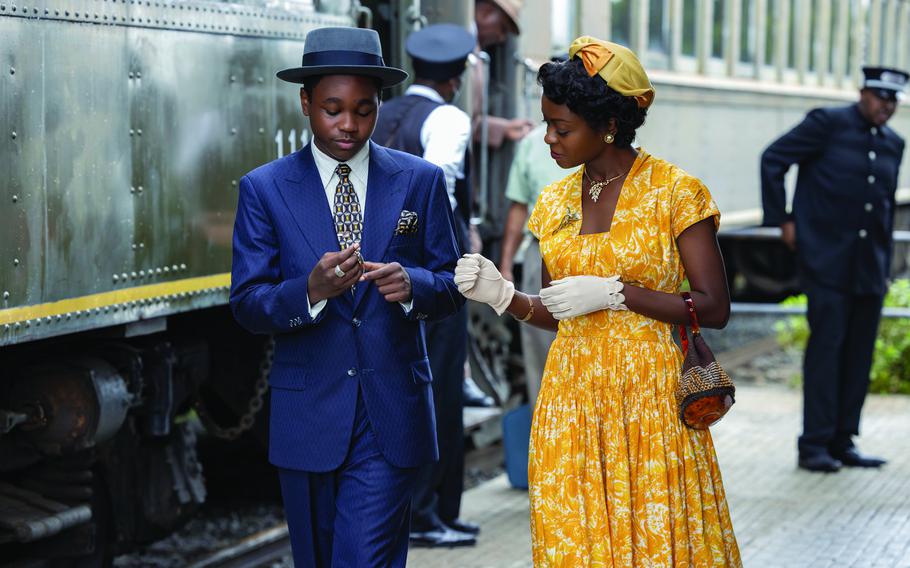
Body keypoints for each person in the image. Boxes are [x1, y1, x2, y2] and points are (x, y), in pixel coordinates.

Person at [455, 36, 741, 565]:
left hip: (650, 400)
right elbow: (558, 311)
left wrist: (619, 293)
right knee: (578, 540)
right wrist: (502, 295)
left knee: (654, 536)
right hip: (571, 400)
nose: (548, 140)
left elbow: (714, 307)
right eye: (546, 124)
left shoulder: (675, 192)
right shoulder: (555, 201)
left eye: (561, 128)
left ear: (608, 124)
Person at [229, 27, 463, 567]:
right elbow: (246, 303)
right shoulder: (264, 188)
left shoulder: (418, 180)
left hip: (390, 417)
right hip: (308, 415)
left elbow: (453, 282)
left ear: (379, 105)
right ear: (306, 102)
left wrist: (416, 287)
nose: (348, 125)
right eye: (333, 109)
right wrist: (309, 291)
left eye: (363, 109)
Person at [760, 66, 907, 473]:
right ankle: (814, 445)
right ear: (862, 93)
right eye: (880, 97)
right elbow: (773, 159)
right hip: (826, 261)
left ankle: (844, 440)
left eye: (893, 100)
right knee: (827, 349)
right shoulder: (827, 124)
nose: (886, 106)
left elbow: (882, 208)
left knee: (859, 354)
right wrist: (783, 220)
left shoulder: (894, 143)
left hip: (870, 267)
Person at [371, 23, 478, 548]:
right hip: (432, 273)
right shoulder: (450, 117)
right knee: (439, 392)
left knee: (398, 389)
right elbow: (439, 186)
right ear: (455, 79)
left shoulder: (380, 113)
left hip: (372, 273)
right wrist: (418, 243)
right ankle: (431, 513)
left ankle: (425, 511)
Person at [499, 121, 563, 406]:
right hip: (541, 253)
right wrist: (506, 265)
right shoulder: (532, 142)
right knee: (540, 352)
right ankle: (545, 430)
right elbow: (519, 207)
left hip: (594, 256)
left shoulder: (606, 140)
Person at [472, 0, 535, 146]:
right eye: (502, 28)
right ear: (485, 12)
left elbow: (467, 119)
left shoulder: (476, 50)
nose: (502, 37)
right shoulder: (464, 47)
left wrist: (503, 128)